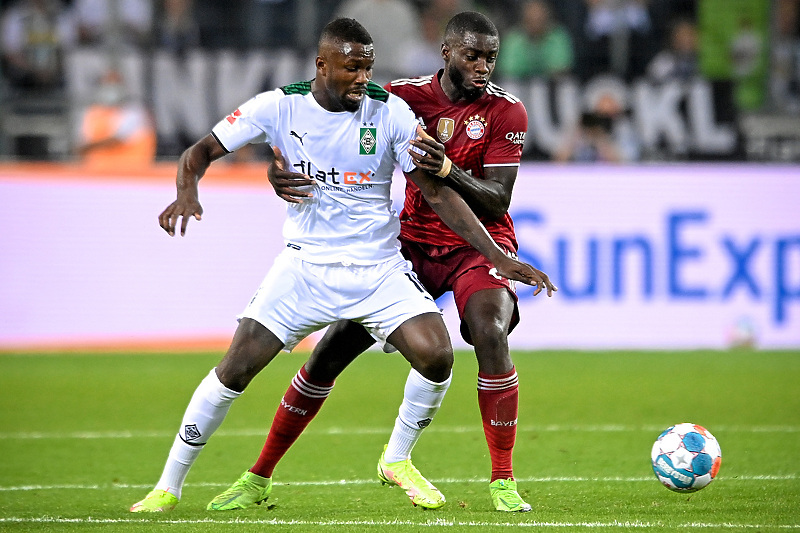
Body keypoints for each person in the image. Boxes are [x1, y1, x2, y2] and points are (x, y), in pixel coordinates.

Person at [129, 16, 555, 513]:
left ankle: (407, 461)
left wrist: (499, 256)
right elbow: (201, 151)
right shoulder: (280, 104)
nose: (362, 79)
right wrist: (195, 189)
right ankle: (171, 485)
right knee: (237, 370)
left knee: (441, 354)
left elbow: (440, 193)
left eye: (368, 68)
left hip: (378, 267)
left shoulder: (392, 110)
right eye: (352, 69)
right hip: (305, 268)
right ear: (322, 65)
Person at [76, 68, 157, 169]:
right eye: (107, 83)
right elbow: (82, 143)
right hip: (96, 173)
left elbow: (116, 140)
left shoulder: (135, 112)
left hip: (131, 172)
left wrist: (87, 147)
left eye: (115, 84)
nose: (111, 88)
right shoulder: (92, 113)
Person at [496, 0, 574, 81]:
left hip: (551, 84)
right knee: (508, 83)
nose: (535, 22)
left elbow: (562, 66)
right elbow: (507, 68)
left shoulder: (558, 36)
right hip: (520, 83)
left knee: (567, 85)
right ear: (524, 19)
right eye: (531, 19)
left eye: (539, 19)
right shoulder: (513, 38)